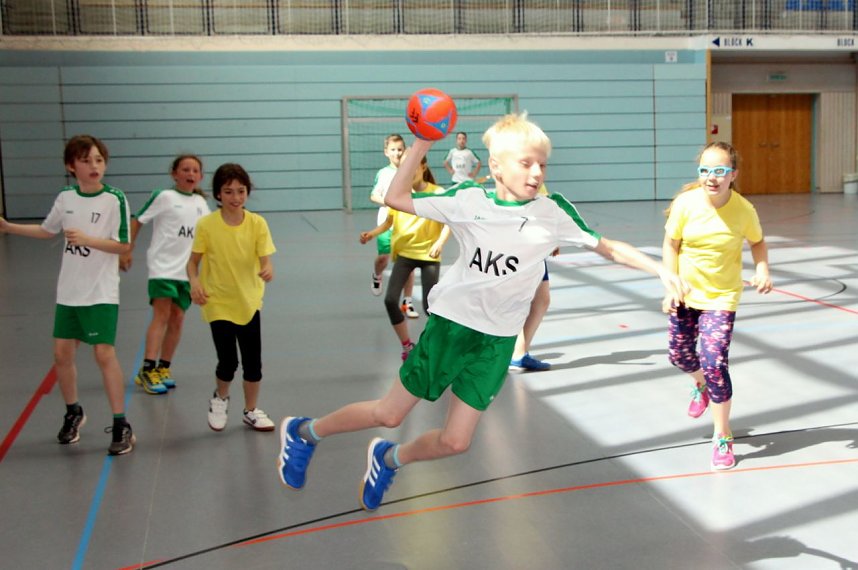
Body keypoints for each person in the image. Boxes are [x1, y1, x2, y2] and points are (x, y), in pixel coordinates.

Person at [278, 112, 686, 511]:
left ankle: (388, 459)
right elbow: (395, 197)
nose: (536, 173)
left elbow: (607, 246)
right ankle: (305, 432)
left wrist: (660, 268)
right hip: (452, 328)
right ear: (495, 166)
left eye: (542, 164)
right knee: (388, 413)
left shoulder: (552, 211)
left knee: (455, 442)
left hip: (497, 340)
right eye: (525, 163)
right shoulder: (468, 200)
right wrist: (422, 141)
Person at [0, 134, 135, 455]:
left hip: (100, 291)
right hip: (69, 292)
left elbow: (123, 246)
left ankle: (121, 423)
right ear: (70, 166)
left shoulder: (114, 198)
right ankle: (73, 412)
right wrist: (8, 227)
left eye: (99, 160)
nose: (94, 166)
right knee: (62, 355)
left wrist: (88, 239)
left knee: (103, 354)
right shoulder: (65, 197)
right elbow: (48, 230)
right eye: (86, 160)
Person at [662, 141, 771, 471]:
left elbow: (757, 242)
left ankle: (722, 435)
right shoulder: (685, 204)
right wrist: (670, 283)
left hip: (722, 298)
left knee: (714, 359)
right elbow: (671, 244)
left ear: (732, 174)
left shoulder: (743, 211)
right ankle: (701, 384)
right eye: (705, 170)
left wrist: (762, 268)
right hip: (685, 292)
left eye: (720, 171)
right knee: (679, 354)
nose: (712, 177)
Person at [187, 163, 277, 433]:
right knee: (228, 361)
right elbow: (193, 263)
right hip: (218, 302)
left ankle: (250, 411)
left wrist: (268, 268)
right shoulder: (207, 225)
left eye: (240, 191)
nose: (235, 197)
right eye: (228, 192)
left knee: (253, 363)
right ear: (218, 195)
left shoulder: (258, 223)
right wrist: (194, 282)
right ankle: (220, 398)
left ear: (247, 192)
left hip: (249, 301)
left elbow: (266, 259)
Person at [120, 154, 210, 394]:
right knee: (161, 315)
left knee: (178, 318)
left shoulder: (201, 204)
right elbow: (138, 220)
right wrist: (127, 249)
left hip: (187, 272)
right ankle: (147, 369)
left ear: (200, 176)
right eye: (185, 169)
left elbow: (209, 236)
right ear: (174, 174)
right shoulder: (164, 197)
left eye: (195, 170)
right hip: (163, 268)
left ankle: (163, 367)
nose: (190, 174)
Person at [359, 152, 451, 361]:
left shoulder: (437, 193)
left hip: (428, 255)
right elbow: (388, 222)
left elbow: (448, 222)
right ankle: (407, 345)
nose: (408, 173)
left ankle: (443, 344)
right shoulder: (398, 194)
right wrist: (371, 234)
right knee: (391, 300)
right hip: (405, 253)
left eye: (413, 167)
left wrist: (439, 242)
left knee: (430, 307)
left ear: (424, 167)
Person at [368, 134, 418, 318]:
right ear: (386, 152)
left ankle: (407, 301)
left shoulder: (410, 171)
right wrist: (389, 202)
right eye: (393, 150)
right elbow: (373, 196)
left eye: (400, 149)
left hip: (405, 224)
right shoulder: (383, 173)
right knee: (383, 258)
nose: (397, 153)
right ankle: (377, 275)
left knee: (407, 263)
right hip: (386, 222)